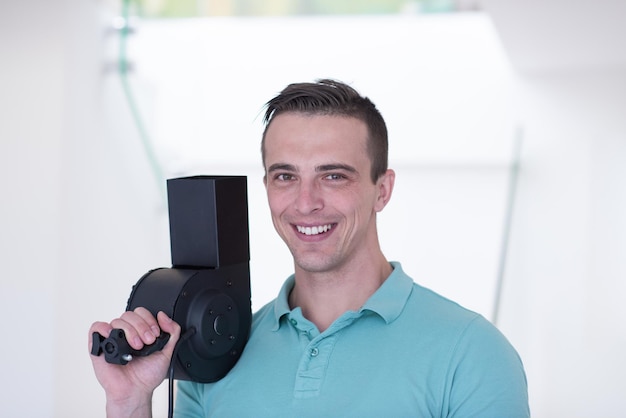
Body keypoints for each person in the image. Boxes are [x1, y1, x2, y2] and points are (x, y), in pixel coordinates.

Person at [90, 79, 529, 417]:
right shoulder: (217, 357)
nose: (305, 203)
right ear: (266, 187)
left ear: (382, 189)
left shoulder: (472, 354)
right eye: (286, 176)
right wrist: (130, 404)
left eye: (333, 175)